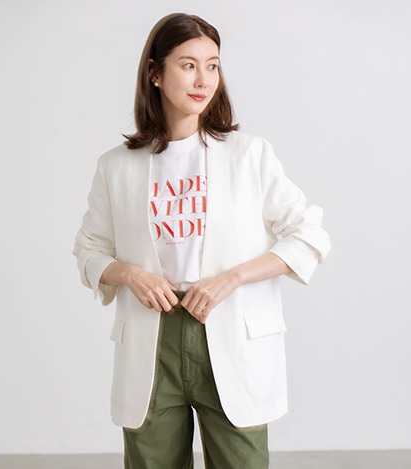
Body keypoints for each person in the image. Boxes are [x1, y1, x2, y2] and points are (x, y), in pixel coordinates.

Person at [73, 12, 330, 469]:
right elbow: (89, 249)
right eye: (188, 65)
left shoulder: (250, 155)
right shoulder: (117, 166)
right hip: (152, 342)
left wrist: (232, 278)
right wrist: (129, 274)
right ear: (155, 73)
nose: (203, 79)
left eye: (212, 65)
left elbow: (309, 235)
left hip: (230, 330)